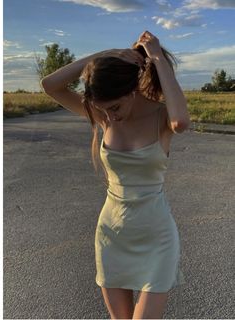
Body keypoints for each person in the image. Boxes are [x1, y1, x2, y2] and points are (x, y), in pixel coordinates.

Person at [41, 30, 190, 319]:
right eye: (102, 110)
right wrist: (104, 55)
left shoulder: (161, 118)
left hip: (156, 238)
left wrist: (156, 56)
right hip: (112, 235)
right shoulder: (103, 116)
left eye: (115, 107)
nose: (109, 117)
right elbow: (50, 85)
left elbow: (181, 121)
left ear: (132, 90)